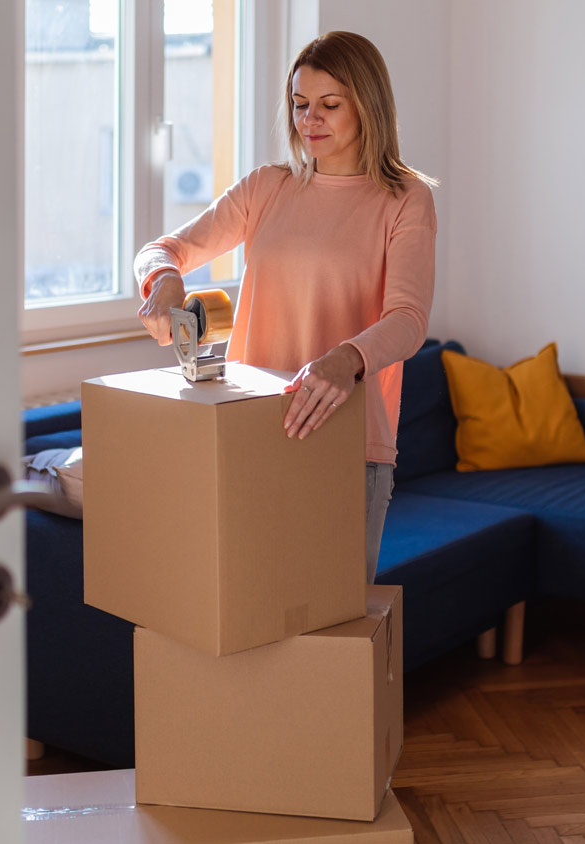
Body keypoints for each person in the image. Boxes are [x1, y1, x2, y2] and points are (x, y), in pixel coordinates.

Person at [134, 30, 437, 585]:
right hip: (253, 430)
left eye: (329, 105)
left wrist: (345, 359)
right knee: (246, 619)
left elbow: (409, 320)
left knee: (328, 633)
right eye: (300, 105)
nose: (309, 120)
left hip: (348, 440)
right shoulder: (266, 188)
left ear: (367, 105)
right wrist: (163, 280)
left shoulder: (406, 199)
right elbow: (162, 249)